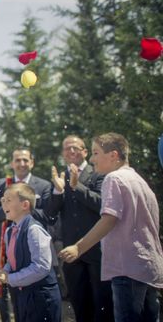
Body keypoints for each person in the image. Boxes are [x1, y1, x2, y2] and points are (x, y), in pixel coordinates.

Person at [60, 133, 163, 322]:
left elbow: (109, 219)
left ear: (113, 155)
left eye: (96, 153)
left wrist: (78, 247)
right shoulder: (141, 182)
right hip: (149, 270)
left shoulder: (113, 179)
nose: (91, 159)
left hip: (127, 269)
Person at [45, 135, 113, 321]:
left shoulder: (99, 174)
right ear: (63, 154)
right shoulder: (60, 178)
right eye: (67, 148)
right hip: (71, 254)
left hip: (98, 251)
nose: (71, 151)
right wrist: (58, 191)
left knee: (103, 307)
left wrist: (76, 186)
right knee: (80, 306)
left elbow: (102, 205)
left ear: (85, 152)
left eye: (76, 147)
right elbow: (49, 216)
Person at [0, 147, 54, 322]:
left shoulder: (34, 230)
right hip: (24, 292)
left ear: (25, 205)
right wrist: (5, 271)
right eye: (2, 200)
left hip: (40, 296)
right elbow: (12, 259)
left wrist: (10, 278)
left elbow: (40, 267)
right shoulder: (11, 231)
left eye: (8, 201)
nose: (3, 205)